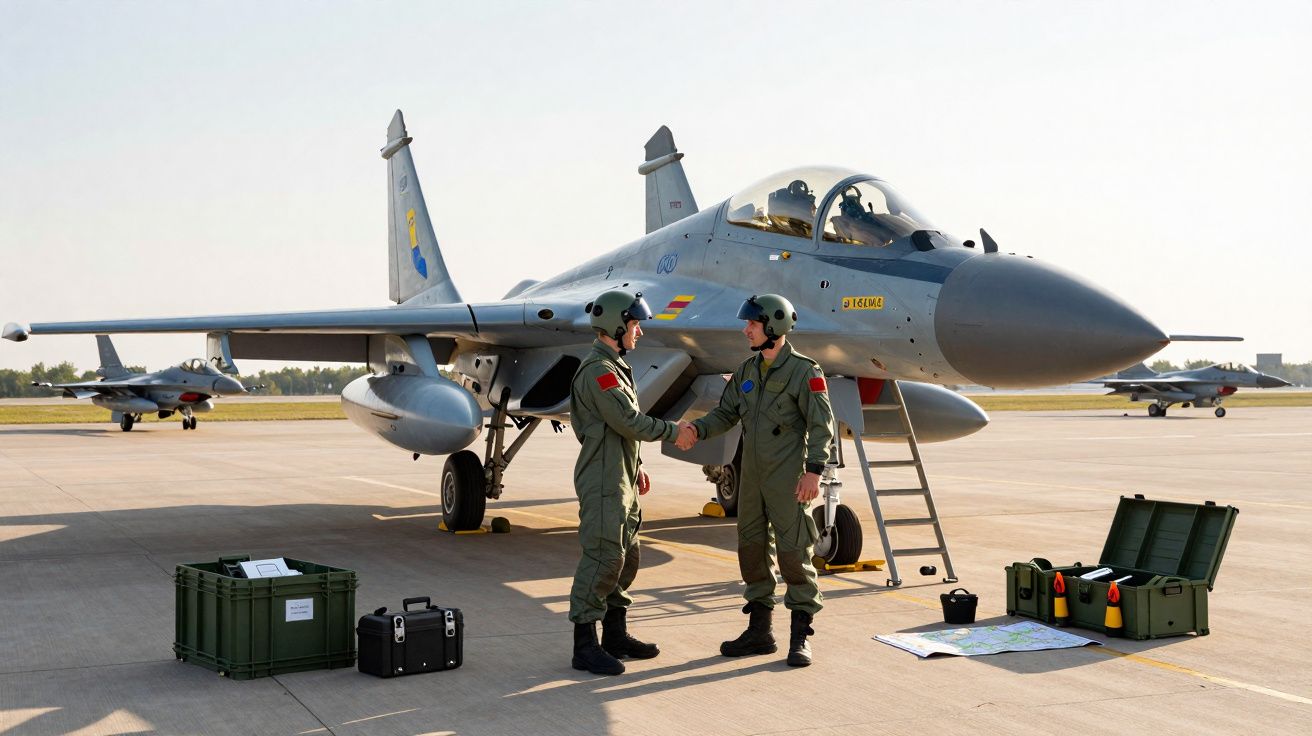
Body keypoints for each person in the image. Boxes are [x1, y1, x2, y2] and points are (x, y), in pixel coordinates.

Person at [676, 294, 834, 667]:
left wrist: (814, 471)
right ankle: (760, 632)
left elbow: (821, 425)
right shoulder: (746, 371)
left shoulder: (805, 371)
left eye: (752, 324)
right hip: (752, 479)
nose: (745, 329)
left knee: (794, 554)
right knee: (751, 549)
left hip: (789, 479)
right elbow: (725, 414)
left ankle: (801, 637)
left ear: (774, 327)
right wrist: (695, 429)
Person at [568, 288, 682, 676]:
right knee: (602, 557)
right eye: (635, 324)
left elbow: (620, 431)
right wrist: (674, 431)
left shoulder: (615, 365)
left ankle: (615, 635)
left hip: (621, 475)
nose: (640, 332)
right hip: (603, 479)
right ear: (616, 326)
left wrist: (636, 466)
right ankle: (584, 645)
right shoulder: (599, 372)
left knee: (626, 557)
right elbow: (629, 421)